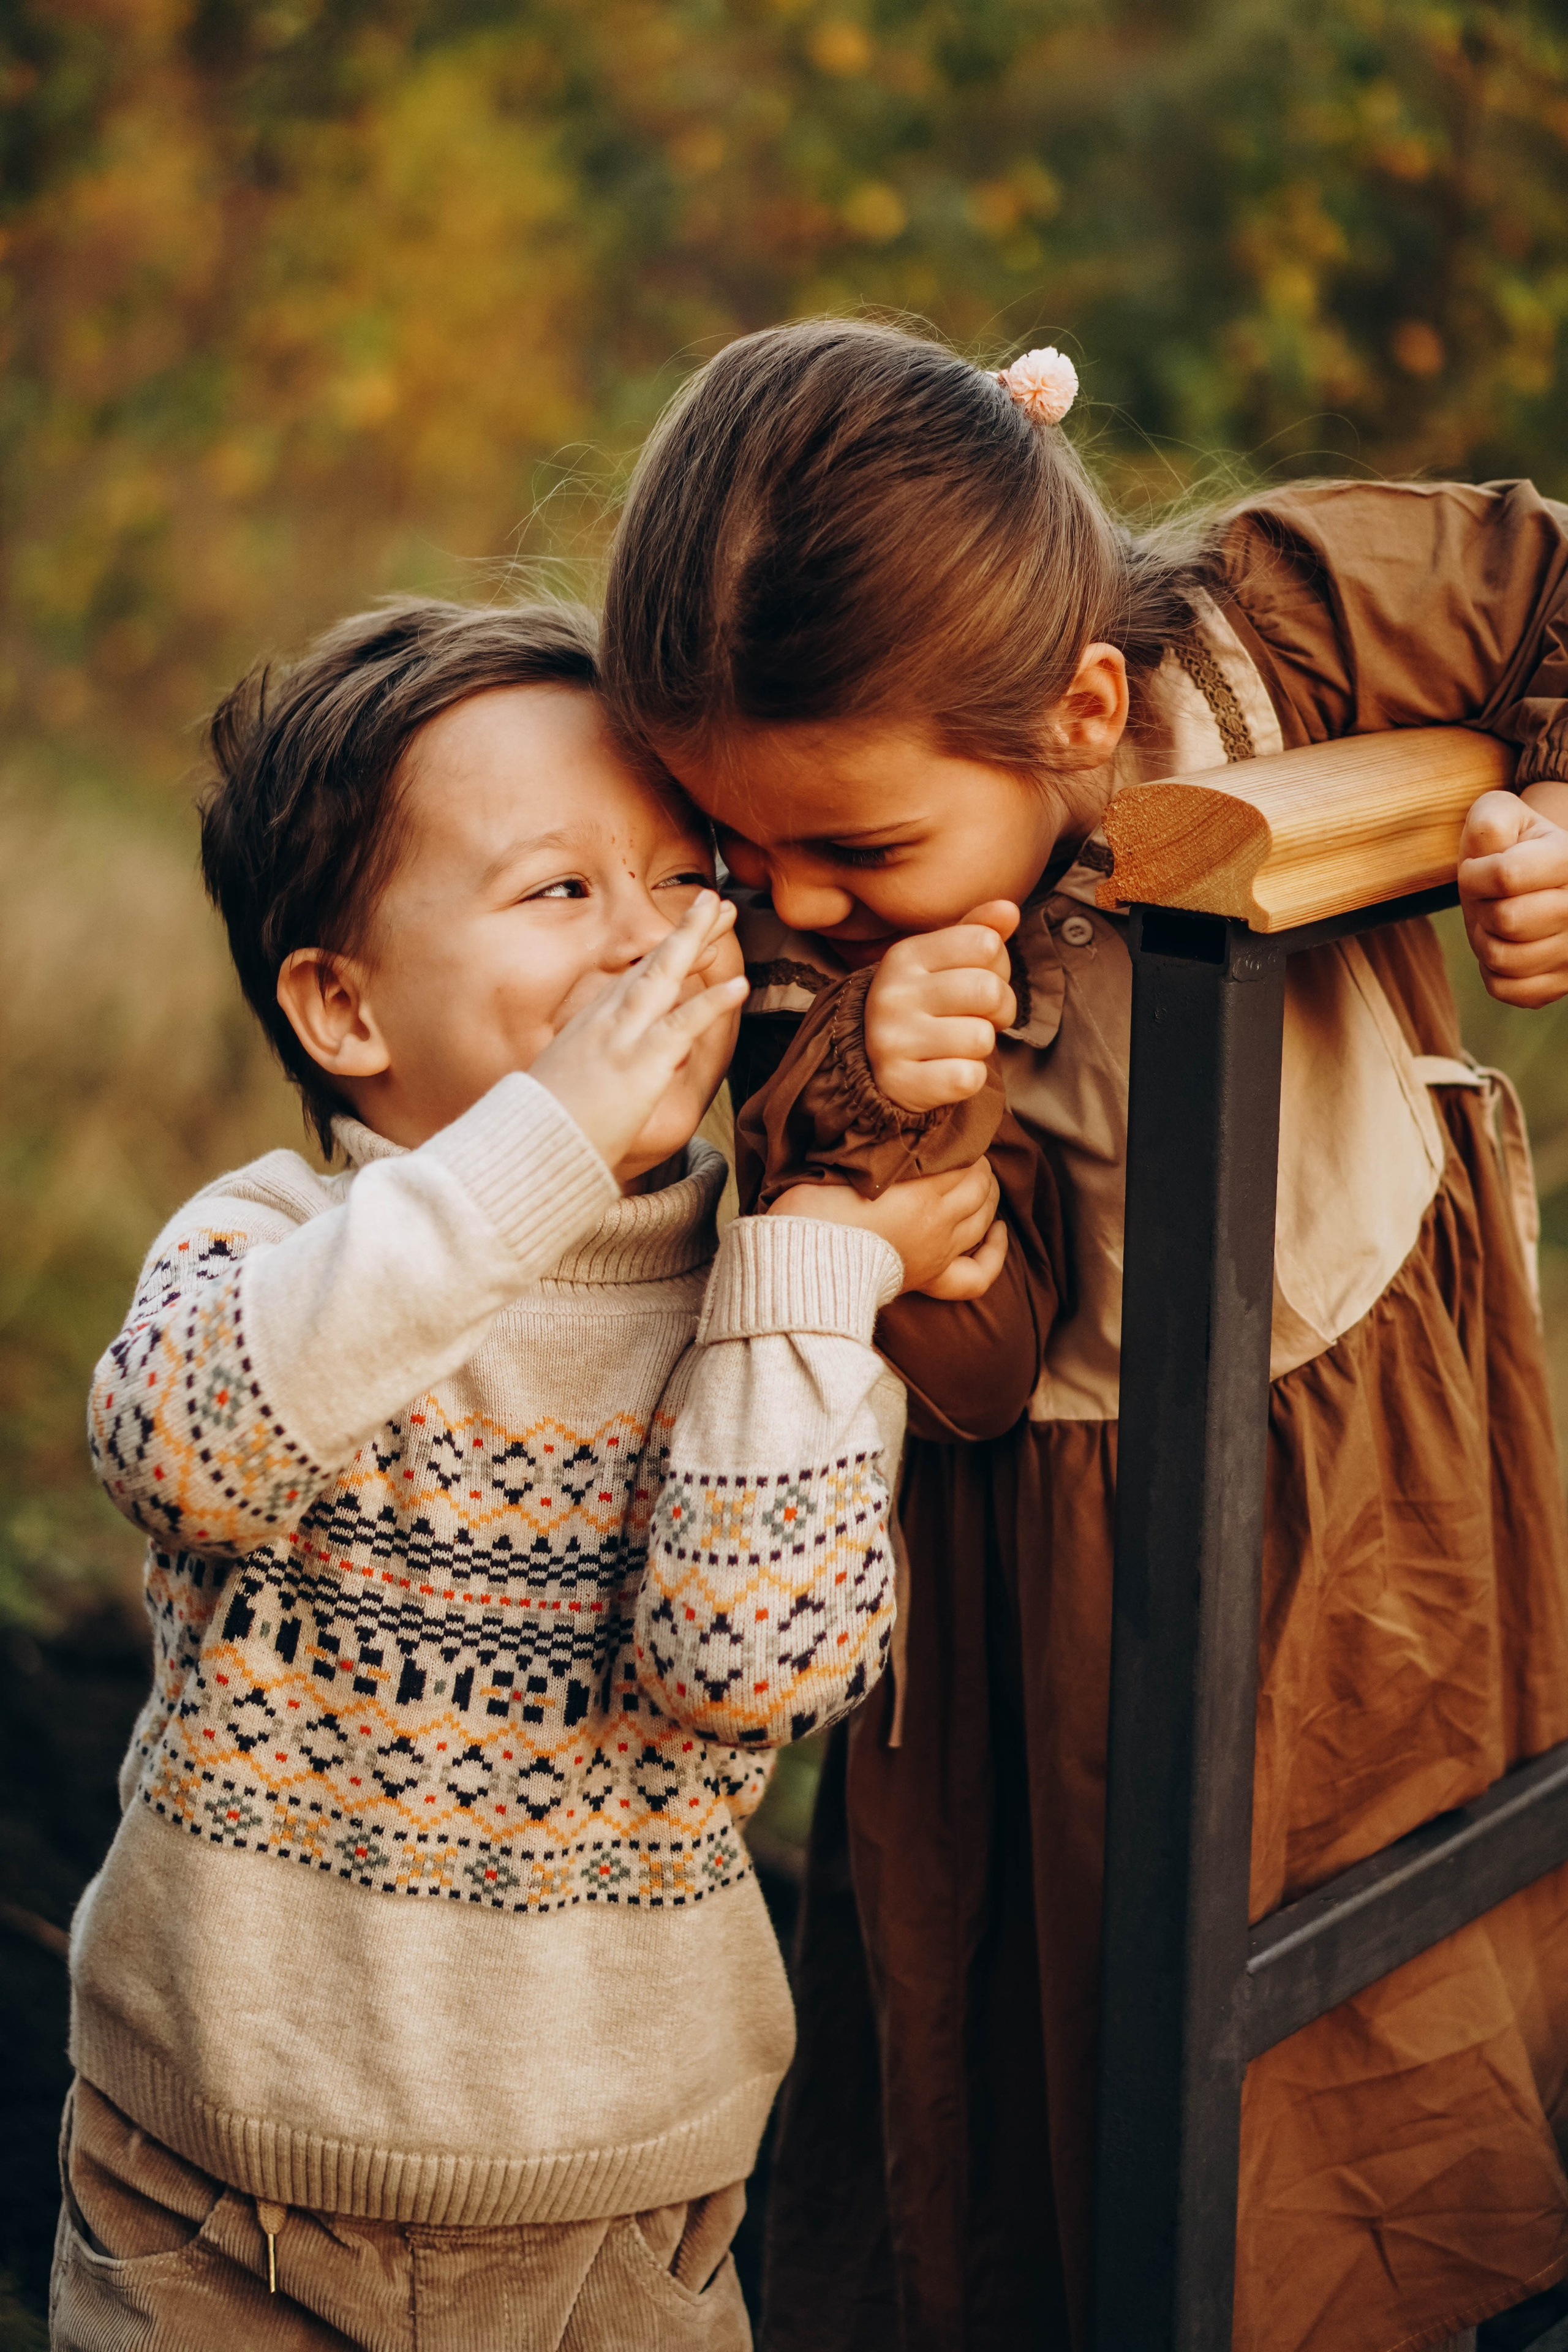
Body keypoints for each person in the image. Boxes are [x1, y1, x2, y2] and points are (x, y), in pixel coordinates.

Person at [600, 317, 1568, 2352]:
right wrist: (887, 1111)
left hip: (1369, 1448)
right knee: (1093, 2053)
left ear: (1079, 707)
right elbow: (956, 1376)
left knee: (1394, 1989)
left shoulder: (1271, 636)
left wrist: (1560, 818)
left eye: (854, 852)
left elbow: (1544, 582)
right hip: (1062, 1574)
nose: (797, 904)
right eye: (742, 851)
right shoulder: (822, 980)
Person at [53, 597, 1005, 2352]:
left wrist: (820, 1269)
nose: (648, 944)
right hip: (209, 2200)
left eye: (677, 878)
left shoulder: (770, 1296)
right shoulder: (273, 1243)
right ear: (344, 1005)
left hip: (612, 2223)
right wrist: (543, 1150)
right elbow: (178, 1447)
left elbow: (752, 1667)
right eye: (562, 891)